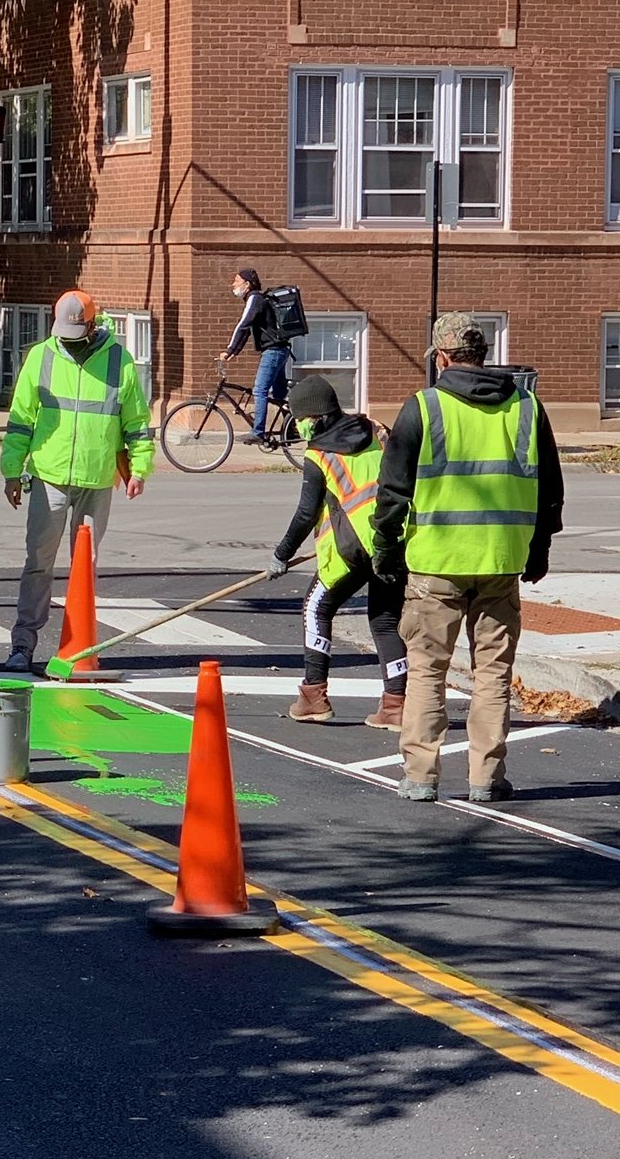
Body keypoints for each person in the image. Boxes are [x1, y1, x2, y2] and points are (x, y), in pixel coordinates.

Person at [372, 313, 564, 804]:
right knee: (493, 673)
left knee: (427, 670)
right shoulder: (527, 407)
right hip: (501, 562)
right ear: (482, 355)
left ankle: (420, 774)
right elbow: (550, 492)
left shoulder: (423, 408)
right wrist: (538, 550)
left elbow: (393, 492)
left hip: (436, 563)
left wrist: (387, 551)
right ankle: (487, 778)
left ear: (440, 357)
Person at [0, 289, 155, 669]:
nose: (66, 341)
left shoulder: (119, 361)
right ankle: (23, 645)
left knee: (85, 567)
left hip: (97, 478)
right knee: (38, 561)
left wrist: (140, 467)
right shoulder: (41, 356)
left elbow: (135, 421)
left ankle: (76, 647)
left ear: (91, 325)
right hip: (49, 474)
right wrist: (11, 471)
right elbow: (21, 419)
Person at [267, 373, 407, 728]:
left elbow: (305, 514)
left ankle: (314, 695)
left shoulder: (318, 455)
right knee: (385, 620)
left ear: (314, 417)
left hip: (350, 551)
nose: (296, 426)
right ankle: (396, 706)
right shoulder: (376, 430)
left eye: (299, 419)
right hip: (391, 542)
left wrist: (281, 554)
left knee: (316, 607)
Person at [220, 267, 295, 443]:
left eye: (237, 281)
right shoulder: (256, 299)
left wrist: (230, 350)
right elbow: (247, 331)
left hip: (273, 351)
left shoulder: (255, 298)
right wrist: (235, 352)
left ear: (247, 284)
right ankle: (291, 428)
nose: (233, 284)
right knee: (278, 394)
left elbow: (243, 325)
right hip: (280, 350)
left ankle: (258, 432)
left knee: (259, 390)